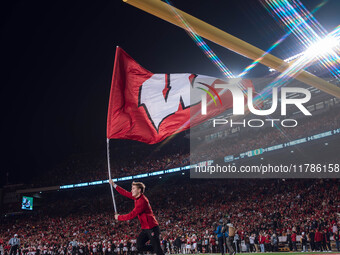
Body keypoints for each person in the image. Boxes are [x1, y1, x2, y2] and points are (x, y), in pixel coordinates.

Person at [109, 180, 164, 255]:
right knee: (139, 246)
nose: (131, 190)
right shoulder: (137, 197)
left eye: (133, 188)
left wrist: (118, 217)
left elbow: (131, 215)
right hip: (145, 228)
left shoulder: (142, 201)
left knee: (158, 251)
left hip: (152, 227)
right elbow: (124, 193)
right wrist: (113, 184)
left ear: (139, 190)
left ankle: (158, 249)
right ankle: (157, 248)